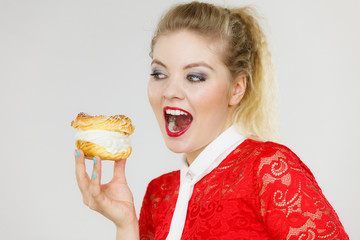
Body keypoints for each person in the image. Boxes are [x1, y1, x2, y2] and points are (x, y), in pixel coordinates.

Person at [74, 1, 349, 239]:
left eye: (195, 77)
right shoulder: (159, 194)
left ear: (236, 89)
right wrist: (124, 225)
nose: (170, 90)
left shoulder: (269, 170)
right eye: (159, 74)